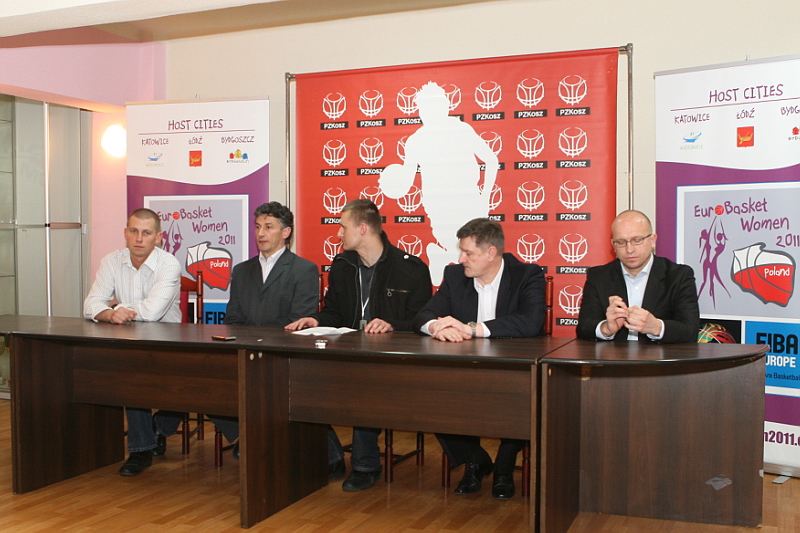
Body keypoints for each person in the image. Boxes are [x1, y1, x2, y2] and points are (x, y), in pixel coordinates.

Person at [286, 199, 432, 492]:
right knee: (300, 380)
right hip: (345, 354)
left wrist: (392, 325)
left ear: (363, 228)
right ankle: (331, 456)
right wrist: (316, 320)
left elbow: (423, 321)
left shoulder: (411, 269)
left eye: (343, 227)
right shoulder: (342, 266)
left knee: (364, 382)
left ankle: (366, 465)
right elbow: (334, 313)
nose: (338, 233)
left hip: (390, 360)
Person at [412, 217, 545, 500]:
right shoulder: (456, 276)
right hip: (466, 370)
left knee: (524, 399)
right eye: (461, 251)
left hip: (513, 369)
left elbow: (531, 322)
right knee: (431, 395)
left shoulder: (527, 274)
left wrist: (472, 329)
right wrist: (437, 326)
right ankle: (475, 460)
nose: (461, 259)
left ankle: (504, 467)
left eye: (468, 253)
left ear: (491, 253)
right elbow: (423, 315)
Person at [202, 201, 320, 458]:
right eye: (257, 227)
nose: (261, 233)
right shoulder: (242, 270)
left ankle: (318, 452)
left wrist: (263, 347)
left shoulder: (304, 270)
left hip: (283, 355)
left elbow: (298, 322)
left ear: (286, 232)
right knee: (207, 384)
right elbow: (233, 318)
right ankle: (245, 435)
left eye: (269, 227)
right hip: (245, 352)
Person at [83, 208, 183, 476]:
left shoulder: (169, 264)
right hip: (128, 341)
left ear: (158, 237)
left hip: (169, 341)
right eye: (134, 231)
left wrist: (116, 307)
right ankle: (141, 450)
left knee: (192, 381)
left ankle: (159, 426)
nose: (139, 238)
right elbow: (90, 304)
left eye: (146, 233)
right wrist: (109, 313)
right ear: (125, 233)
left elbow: (152, 313)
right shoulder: (111, 261)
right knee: (129, 372)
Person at [379, 81, 499, 282]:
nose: (428, 112)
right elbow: (406, 180)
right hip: (438, 206)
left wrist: (485, 196)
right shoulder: (416, 140)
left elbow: (491, 160)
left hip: (469, 200)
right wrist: (390, 183)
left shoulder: (462, 129)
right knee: (462, 255)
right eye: (424, 107)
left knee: (474, 255)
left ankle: (440, 255)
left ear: (445, 106)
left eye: (434, 106)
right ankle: (441, 255)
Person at [576, 209, 700, 343]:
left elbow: (690, 330)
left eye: (637, 240)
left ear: (652, 240)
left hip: (659, 355)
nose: (629, 249)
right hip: (613, 355)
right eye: (621, 242)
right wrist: (606, 329)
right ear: (613, 246)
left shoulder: (679, 276)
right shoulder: (598, 276)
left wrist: (656, 327)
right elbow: (583, 327)